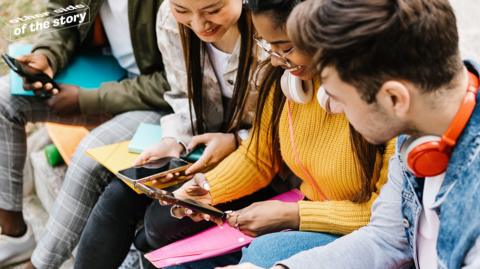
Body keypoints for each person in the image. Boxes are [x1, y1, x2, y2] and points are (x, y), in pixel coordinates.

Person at [227, 0, 480, 268]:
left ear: (394, 98)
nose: (332, 107)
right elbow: (384, 240)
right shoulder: (419, 132)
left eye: (339, 98)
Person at [161, 0, 395, 268]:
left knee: (264, 251)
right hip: (307, 213)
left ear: (329, 34)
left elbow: (386, 222)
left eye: (285, 48)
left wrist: (293, 214)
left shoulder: (384, 105)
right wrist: (207, 190)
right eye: (267, 45)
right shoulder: (287, 82)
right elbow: (257, 158)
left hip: (362, 234)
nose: (273, 58)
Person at [72, 1, 276, 268]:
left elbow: (287, 125)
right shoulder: (170, 20)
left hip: (260, 161)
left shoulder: (271, 29)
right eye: (183, 10)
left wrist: (237, 140)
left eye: (213, 10)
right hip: (201, 149)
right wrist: (174, 140)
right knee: (119, 195)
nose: (200, 24)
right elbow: (182, 95)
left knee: (158, 226)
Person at [0, 0, 172, 268]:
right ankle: (14, 234)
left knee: (90, 154)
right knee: (4, 98)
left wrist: (89, 100)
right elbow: (62, 17)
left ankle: (38, 265)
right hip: (108, 74)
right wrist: (46, 55)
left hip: (161, 103)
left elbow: (175, 82)